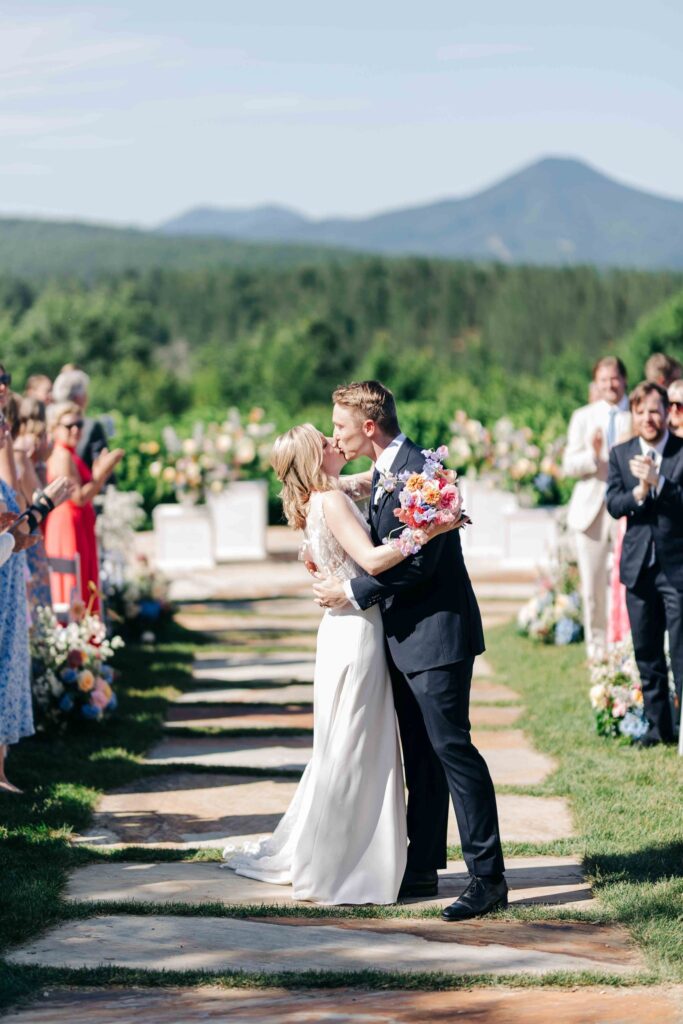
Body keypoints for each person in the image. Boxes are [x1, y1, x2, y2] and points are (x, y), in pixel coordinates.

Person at [223, 424, 465, 904]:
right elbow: (373, 560)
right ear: (315, 457)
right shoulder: (330, 501)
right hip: (357, 631)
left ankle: (351, 851)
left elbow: (369, 480)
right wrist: (433, 528)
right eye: (326, 440)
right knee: (356, 745)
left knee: (346, 742)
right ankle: (349, 860)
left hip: (341, 630)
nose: (336, 441)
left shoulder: (322, 496)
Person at [312, 381, 507, 922]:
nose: (336, 433)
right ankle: (422, 867)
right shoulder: (382, 473)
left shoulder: (424, 471)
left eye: (341, 425)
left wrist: (352, 593)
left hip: (439, 635)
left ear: (369, 426)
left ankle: (488, 878)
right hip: (402, 638)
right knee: (419, 755)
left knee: (453, 751)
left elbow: (420, 563)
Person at [606, 382, 683, 746]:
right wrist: (638, 492)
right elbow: (613, 504)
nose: (648, 418)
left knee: (680, 651)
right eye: (641, 412)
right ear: (633, 415)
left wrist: (661, 482)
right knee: (647, 652)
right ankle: (659, 728)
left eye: (654, 410)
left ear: (667, 412)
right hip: (638, 567)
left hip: (677, 568)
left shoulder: (681, 451)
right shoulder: (621, 454)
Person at [562, 357, 631, 662]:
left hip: (629, 509)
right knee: (591, 585)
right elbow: (568, 465)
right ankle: (597, 650)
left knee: (627, 581)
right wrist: (593, 454)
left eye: (614, 379)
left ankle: (625, 645)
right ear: (596, 383)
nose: (609, 385)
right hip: (590, 510)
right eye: (603, 380)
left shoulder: (638, 413)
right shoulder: (583, 417)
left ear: (624, 380)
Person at [45, 401, 123, 613]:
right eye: (69, 426)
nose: (76, 430)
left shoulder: (70, 454)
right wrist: (100, 476)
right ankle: (77, 639)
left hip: (78, 522)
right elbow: (77, 497)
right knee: (75, 581)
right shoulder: (62, 455)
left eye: (79, 424)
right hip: (68, 524)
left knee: (84, 577)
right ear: (55, 428)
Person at [52, 367, 109, 470]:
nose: (75, 430)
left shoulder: (50, 423)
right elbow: (101, 466)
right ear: (80, 397)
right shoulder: (91, 426)